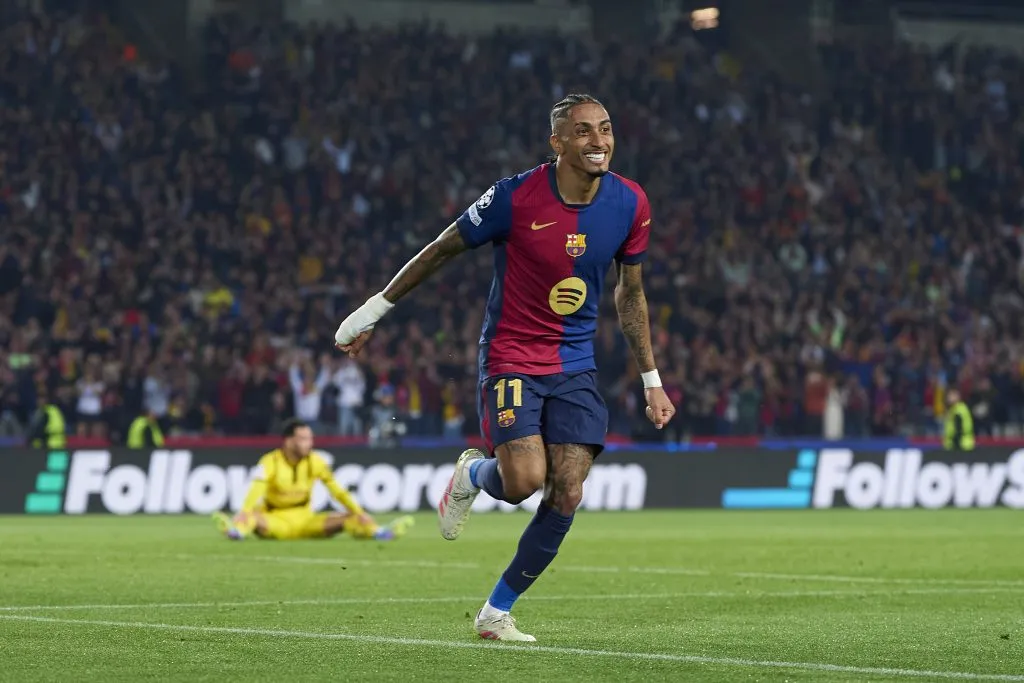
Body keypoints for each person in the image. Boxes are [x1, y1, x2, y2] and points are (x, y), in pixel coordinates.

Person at [334, 94, 675, 641]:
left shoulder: (631, 203)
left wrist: (652, 380)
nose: (598, 141)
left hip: (575, 362)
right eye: (583, 131)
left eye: (605, 129)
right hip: (512, 355)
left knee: (567, 490)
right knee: (522, 482)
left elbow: (629, 295)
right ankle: (473, 473)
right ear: (557, 142)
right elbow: (442, 248)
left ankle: (496, 612)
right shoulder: (514, 197)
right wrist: (374, 310)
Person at [213, 418, 414, 541]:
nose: (309, 443)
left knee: (348, 518)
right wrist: (244, 512)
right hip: (276, 521)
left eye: (310, 438)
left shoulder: (315, 461)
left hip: (307, 521)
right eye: (303, 439)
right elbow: (256, 489)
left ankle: (378, 532)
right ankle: (237, 531)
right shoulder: (270, 461)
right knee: (252, 516)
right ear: (288, 441)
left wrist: (359, 512)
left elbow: (337, 491)